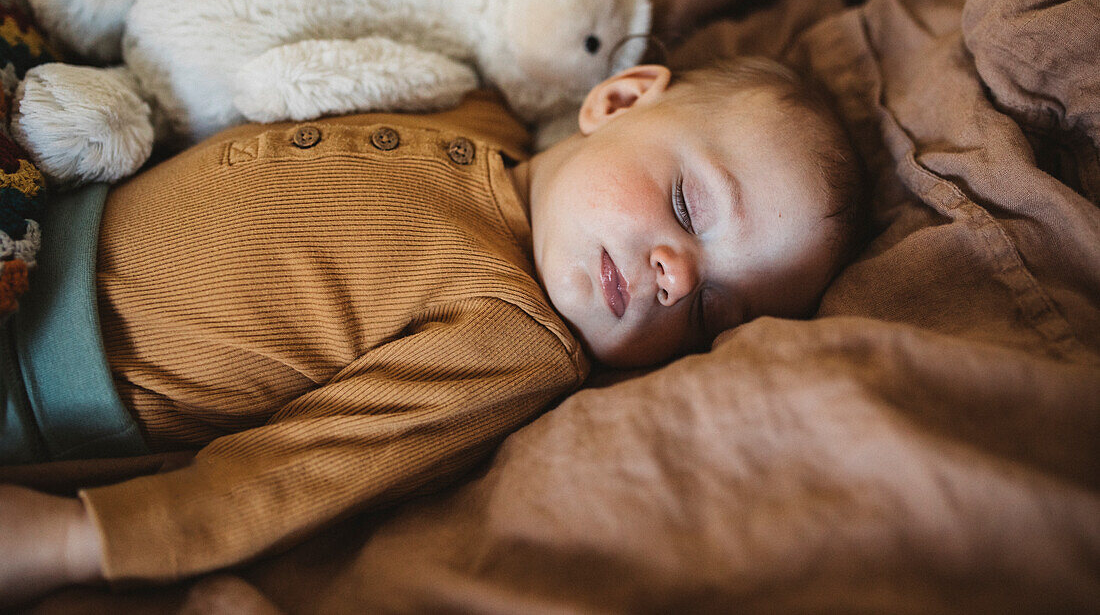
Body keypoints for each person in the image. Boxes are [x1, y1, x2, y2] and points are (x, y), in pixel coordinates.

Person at [0, 57, 864, 602]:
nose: (677, 276)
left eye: (711, 310)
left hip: (48, 374)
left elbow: (308, 469)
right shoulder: (476, 113)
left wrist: (76, 539)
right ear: (623, 95)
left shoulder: (514, 341)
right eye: (686, 204)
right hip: (42, 197)